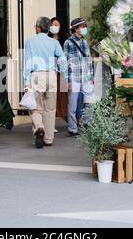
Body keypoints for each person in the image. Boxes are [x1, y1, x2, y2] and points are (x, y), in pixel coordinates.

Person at [24, 17, 67, 148]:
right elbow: (63, 58)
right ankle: (48, 139)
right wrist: (59, 69)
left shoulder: (30, 42)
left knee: (35, 107)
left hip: (37, 75)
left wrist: (26, 81)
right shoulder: (54, 42)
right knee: (50, 108)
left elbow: (28, 62)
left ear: (37, 28)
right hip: (51, 76)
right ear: (48, 29)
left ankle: (39, 128)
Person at [64, 18, 94, 137]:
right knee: (72, 105)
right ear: (76, 29)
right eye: (83, 26)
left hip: (86, 77)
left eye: (85, 26)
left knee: (90, 103)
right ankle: (72, 129)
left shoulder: (85, 42)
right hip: (74, 77)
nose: (85, 28)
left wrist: (91, 77)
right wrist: (67, 80)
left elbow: (89, 60)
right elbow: (64, 62)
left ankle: (86, 124)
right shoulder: (68, 43)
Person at [48, 17, 69, 121]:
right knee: (51, 95)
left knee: (63, 95)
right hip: (50, 71)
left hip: (61, 71)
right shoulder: (47, 40)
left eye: (56, 24)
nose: (54, 26)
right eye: (52, 24)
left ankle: (65, 115)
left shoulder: (64, 40)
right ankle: (52, 119)